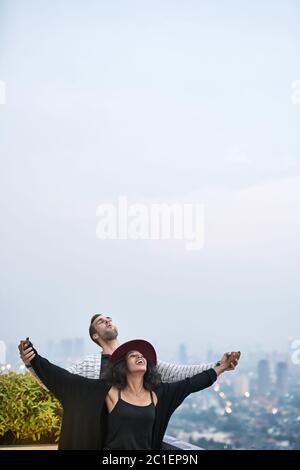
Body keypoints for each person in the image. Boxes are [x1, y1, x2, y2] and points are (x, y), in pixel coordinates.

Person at [19, 338, 240, 450]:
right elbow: (65, 380)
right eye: (133, 355)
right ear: (123, 366)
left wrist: (221, 367)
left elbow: (192, 383)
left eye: (142, 355)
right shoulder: (108, 392)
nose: (139, 356)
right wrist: (34, 360)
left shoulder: (158, 395)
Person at [19, 314, 240, 385]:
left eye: (109, 318)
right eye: (100, 321)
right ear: (94, 335)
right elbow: (58, 382)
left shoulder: (138, 357)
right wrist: (32, 363)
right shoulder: (88, 365)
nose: (107, 321)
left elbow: (178, 372)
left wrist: (219, 366)